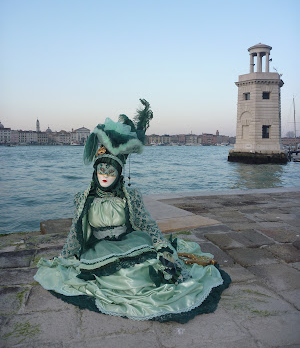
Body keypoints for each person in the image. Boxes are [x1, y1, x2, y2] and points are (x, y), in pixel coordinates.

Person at [34, 99, 230, 323]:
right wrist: (64, 257)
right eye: (101, 169)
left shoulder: (130, 197)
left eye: (111, 170)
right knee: (125, 276)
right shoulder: (84, 199)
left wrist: (160, 243)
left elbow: (146, 223)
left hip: (130, 240)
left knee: (151, 265)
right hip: (99, 249)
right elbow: (75, 230)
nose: (105, 175)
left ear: (119, 174)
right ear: (95, 172)